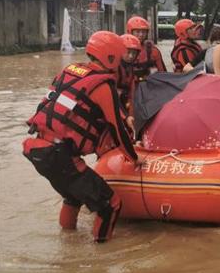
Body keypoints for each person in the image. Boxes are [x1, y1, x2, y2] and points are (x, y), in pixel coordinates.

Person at [22, 31, 138, 243]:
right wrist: (134, 158)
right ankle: (101, 255)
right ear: (111, 56)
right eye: (119, 58)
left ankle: (67, 243)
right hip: (58, 154)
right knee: (110, 204)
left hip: (37, 148)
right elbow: (118, 130)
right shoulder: (104, 85)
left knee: (73, 196)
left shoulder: (69, 70)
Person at [126, 15, 166, 81]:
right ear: (130, 31)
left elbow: (163, 73)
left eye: (143, 32)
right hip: (130, 86)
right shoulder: (121, 50)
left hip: (149, 86)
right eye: (138, 32)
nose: (141, 35)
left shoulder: (153, 51)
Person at [118, 34, 141, 114]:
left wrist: (130, 114)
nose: (131, 56)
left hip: (125, 101)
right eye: (128, 52)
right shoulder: (114, 69)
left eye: (134, 53)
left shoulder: (131, 68)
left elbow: (132, 92)